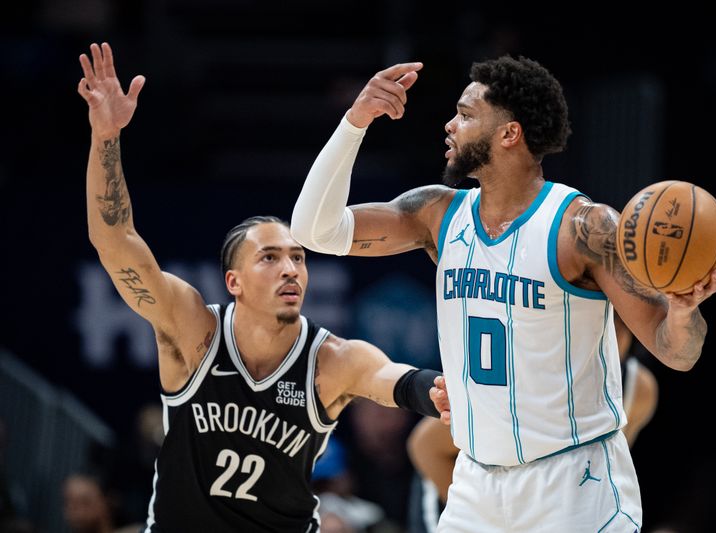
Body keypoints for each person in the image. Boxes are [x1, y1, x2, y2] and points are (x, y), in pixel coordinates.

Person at [291, 55, 716, 531]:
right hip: (476, 484)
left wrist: (684, 311)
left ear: (509, 134)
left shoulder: (581, 228)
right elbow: (314, 231)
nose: (450, 124)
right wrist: (355, 122)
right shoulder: (437, 215)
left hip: (572, 486)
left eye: (465, 114)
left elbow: (676, 352)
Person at [77, 42, 445, 533]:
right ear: (234, 282)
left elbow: (396, 381)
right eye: (269, 258)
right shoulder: (195, 332)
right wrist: (105, 136)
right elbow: (115, 241)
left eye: (298, 257)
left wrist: (444, 395)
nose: (290, 269)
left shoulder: (331, 360)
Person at [405, 310, 658, 532]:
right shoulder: (536, 372)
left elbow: (599, 474)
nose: (605, 332)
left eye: (616, 323)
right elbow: (425, 446)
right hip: (456, 499)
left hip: (543, 508)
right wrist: (489, 517)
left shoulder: (639, 389)